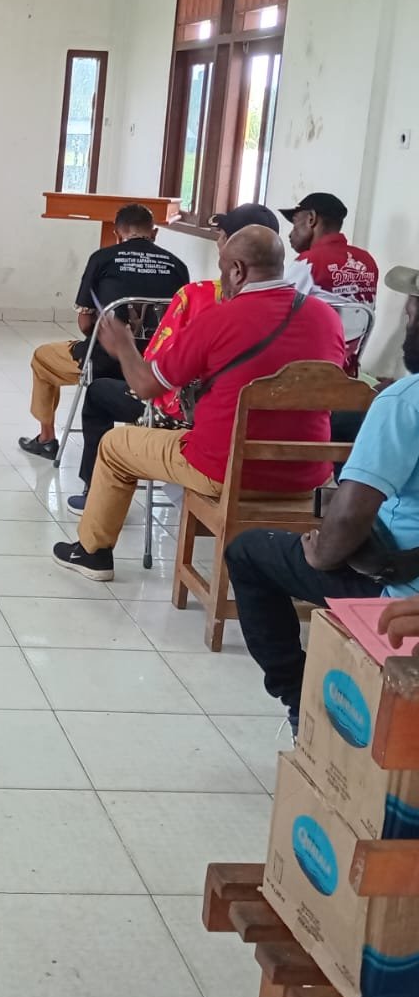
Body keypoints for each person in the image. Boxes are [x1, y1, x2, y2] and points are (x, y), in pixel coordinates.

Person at [53, 226, 345, 582]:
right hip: (309, 476)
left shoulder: (219, 319)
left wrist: (124, 347)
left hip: (226, 470)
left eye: (223, 270)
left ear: (237, 270)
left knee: (116, 445)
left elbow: (146, 386)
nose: (222, 281)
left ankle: (92, 554)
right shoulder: (327, 318)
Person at [226, 265, 419, 735]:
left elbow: (351, 515)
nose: (407, 318)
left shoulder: (405, 401)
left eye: (412, 310)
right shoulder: (327, 318)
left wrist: (322, 553)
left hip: (399, 589)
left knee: (247, 552)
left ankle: (299, 699)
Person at [71, 203, 281, 512]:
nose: (218, 242)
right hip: (283, 457)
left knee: (100, 398)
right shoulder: (319, 315)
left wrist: (124, 346)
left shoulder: (201, 299)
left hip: (199, 433)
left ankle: (93, 506)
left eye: (221, 236)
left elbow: (151, 378)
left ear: (234, 259)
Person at [18, 203, 189, 461]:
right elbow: (180, 322)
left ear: (117, 234)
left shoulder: (103, 258)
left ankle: (46, 438)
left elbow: (86, 323)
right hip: (156, 367)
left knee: (42, 357)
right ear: (154, 233)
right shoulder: (178, 265)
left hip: (105, 361)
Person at [283, 191, 379, 376]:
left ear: (311, 219)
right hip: (346, 368)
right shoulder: (367, 261)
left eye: (295, 224)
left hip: (306, 368)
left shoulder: (308, 262)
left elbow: (277, 316)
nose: (290, 234)